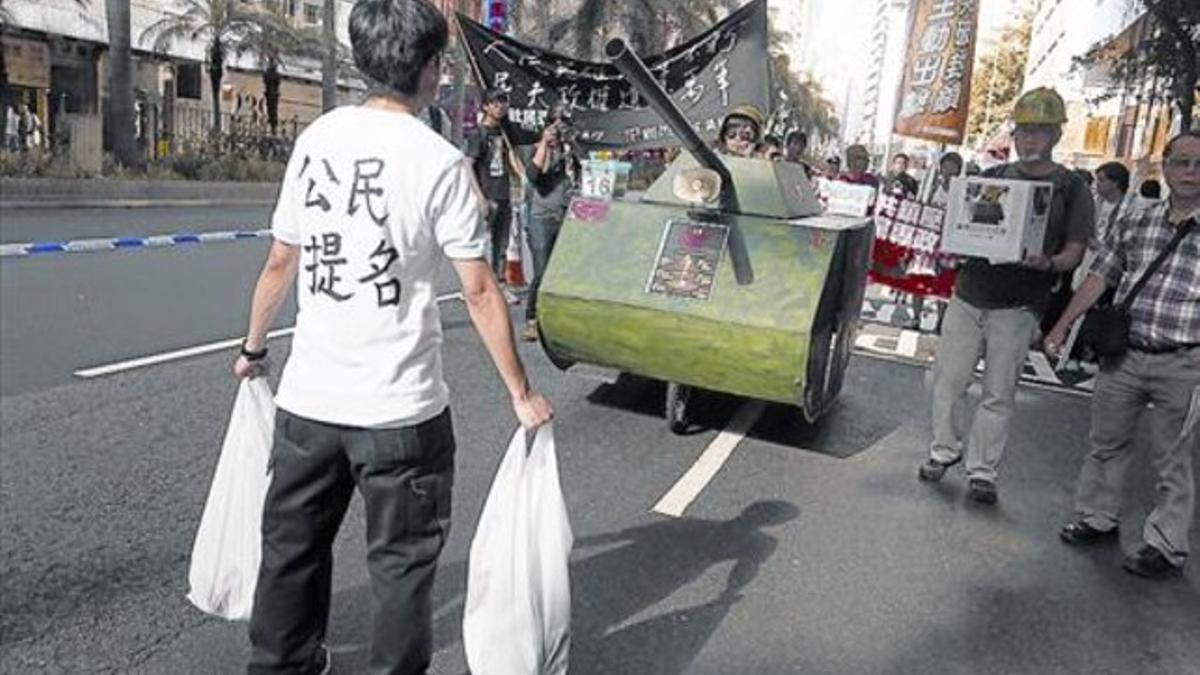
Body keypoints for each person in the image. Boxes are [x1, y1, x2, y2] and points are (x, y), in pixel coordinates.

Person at [232, 1, 554, 672]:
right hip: (400, 415)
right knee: (402, 569)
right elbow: (478, 289)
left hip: (309, 405)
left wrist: (253, 348)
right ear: (432, 68)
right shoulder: (439, 163)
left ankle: (281, 664)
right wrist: (520, 391)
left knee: (291, 549)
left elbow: (280, 262)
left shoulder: (317, 138)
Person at [918, 87, 1094, 504]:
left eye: (1040, 131)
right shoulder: (989, 179)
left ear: (1056, 135)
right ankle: (944, 450)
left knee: (999, 391)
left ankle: (983, 471)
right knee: (947, 381)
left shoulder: (1071, 188)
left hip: (1019, 305)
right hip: (969, 293)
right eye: (1024, 131)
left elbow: (1075, 250)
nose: (1030, 139)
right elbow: (959, 229)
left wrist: (1049, 264)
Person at [1045, 131, 1200, 579]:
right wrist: (1062, 325)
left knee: (1173, 456)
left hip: (1185, 361)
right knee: (1106, 442)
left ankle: (1165, 544)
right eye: (1182, 162)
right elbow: (1100, 276)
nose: (1191, 172)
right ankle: (1098, 517)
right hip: (1125, 354)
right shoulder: (1137, 219)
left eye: (1199, 164)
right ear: (1165, 168)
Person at [520, 103, 579, 342]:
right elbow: (533, 175)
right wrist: (545, 143)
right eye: (555, 125)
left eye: (564, 125)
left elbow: (582, 169)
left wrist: (572, 144)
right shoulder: (535, 148)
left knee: (561, 272)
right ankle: (532, 318)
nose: (560, 130)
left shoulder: (569, 151)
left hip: (565, 214)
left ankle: (554, 319)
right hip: (541, 218)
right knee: (542, 272)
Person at [464, 88, 520, 304]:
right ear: (486, 106)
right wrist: (478, 196)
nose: (500, 106)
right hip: (487, 195)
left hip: (505, 193)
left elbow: (513, 161)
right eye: (495, 103)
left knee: (502, 244)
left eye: (503, 102)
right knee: (482, 245)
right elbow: (467, 164)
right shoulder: (479, 134)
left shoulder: (505, 133)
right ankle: (475, 286)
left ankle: (500, 286)